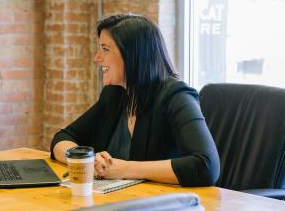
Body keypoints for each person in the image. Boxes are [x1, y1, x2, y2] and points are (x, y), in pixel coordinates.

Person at [50, 14, 220, 187]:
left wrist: (123, 169)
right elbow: (63, 138)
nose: (97, 57)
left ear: (132, 54)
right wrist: (85, 161)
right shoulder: (115, 94)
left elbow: (206, 166)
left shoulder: (176, 96)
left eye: (105, 49)